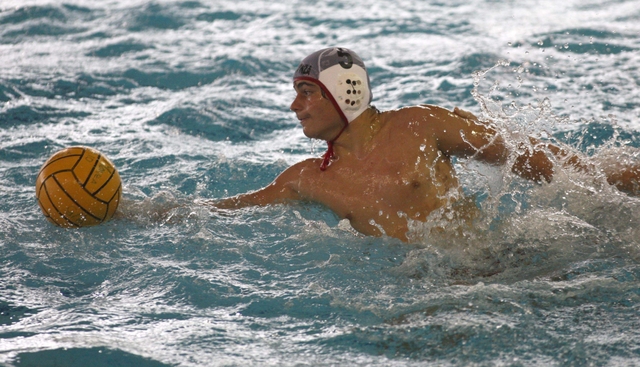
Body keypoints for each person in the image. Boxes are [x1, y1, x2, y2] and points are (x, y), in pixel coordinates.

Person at [208, 48, 640, 241]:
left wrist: (607, 180)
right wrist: (149, 212)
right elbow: (227, 211)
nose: (293, 106)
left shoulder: (420, 125)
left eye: (306, 92)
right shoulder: (307, 178)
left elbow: (524, 155)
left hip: (495, 260)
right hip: (422, 285)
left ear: (345, 92)